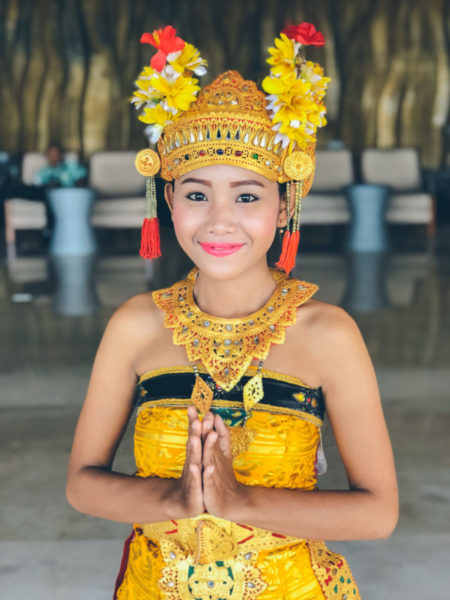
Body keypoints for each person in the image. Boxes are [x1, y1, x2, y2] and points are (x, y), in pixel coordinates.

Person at [66, 24, 398, 599]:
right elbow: (82, 485)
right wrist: (173, 500)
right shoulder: (136, 325)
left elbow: (378, 514)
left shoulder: (328, 333)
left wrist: (242, 502)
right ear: (168, 201)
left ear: (285, 203)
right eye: (196, 195)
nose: (219, 220)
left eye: (247, 196)